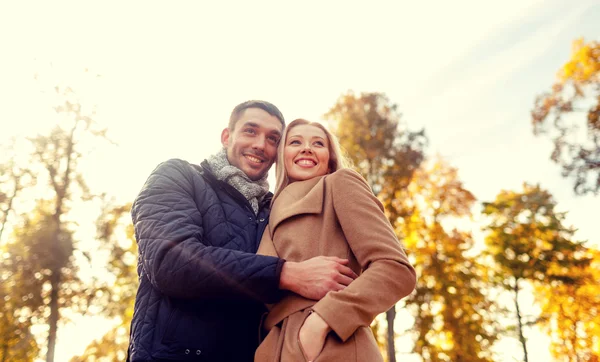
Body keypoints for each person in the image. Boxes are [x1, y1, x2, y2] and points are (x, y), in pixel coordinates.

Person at [127, 102, 358, 362]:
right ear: (227, 137)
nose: (261, 144)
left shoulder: (277, 208)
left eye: (273, 138)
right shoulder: (179, 176)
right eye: (250, 131)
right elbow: (170, 262)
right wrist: (285, 273)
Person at [255, 119, 417, 362]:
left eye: (318, 143)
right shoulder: (267, 211)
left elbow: (395, 269)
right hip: (274, 347)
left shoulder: (340, 183)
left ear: (330, 157)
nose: (307, 148)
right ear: (281, 155)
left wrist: (321, 322)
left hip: (332, 344)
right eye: (295, 141)